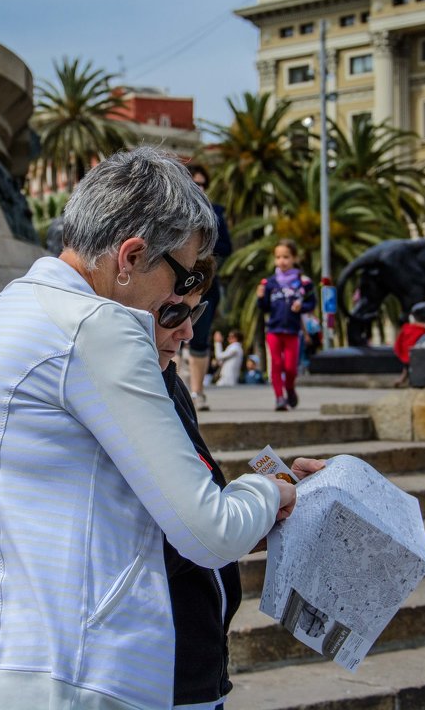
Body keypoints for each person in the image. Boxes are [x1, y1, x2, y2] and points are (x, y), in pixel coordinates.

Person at [0, 146, 294, 710]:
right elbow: (209, 532)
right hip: (80, 675)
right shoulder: (98, 326)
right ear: (130, 256)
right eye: (182, 282)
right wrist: (269, 488)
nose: (183, 306)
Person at [154, 260, 322, 710]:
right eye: (171, 313)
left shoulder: (166, 381)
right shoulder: (128, 393)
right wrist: (260, 499)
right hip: (163, 672)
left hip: (201, 659)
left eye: (196, 311)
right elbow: (156, 545)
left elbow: (198, 511)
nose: (188, 332)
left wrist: (279, 505)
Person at [184, 163, 232, 411]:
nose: (199, 187)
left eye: (203, 183)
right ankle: (170, 392)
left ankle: (196, 392)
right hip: (174, 284)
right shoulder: (173, 212)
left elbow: (226, 247)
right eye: (195, 182)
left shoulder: (215, 214)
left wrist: (202, 248)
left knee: (200, 340)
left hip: (205, 286)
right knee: (168, 336)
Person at [256, 238, 316, 411]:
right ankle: (279, 398)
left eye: (286, 257)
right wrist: (261, 297)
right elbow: (265, 307)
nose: (282, 261)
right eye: (278, 257)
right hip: (273, 329)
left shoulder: (303, 282)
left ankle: (289, 388)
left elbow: (312, 303)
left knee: (290, 368)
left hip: (292, 330)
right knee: (275, 364)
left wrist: (301, 306)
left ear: (295, 258)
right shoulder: (269, 283)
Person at [393, 316, 425, 388]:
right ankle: (403, 379)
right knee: (408, 368)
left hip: (409, 354)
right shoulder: (420, 330)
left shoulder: (408, 329)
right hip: (415, 355)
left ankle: (402, 379)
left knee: (407, 368)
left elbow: (400, 342)